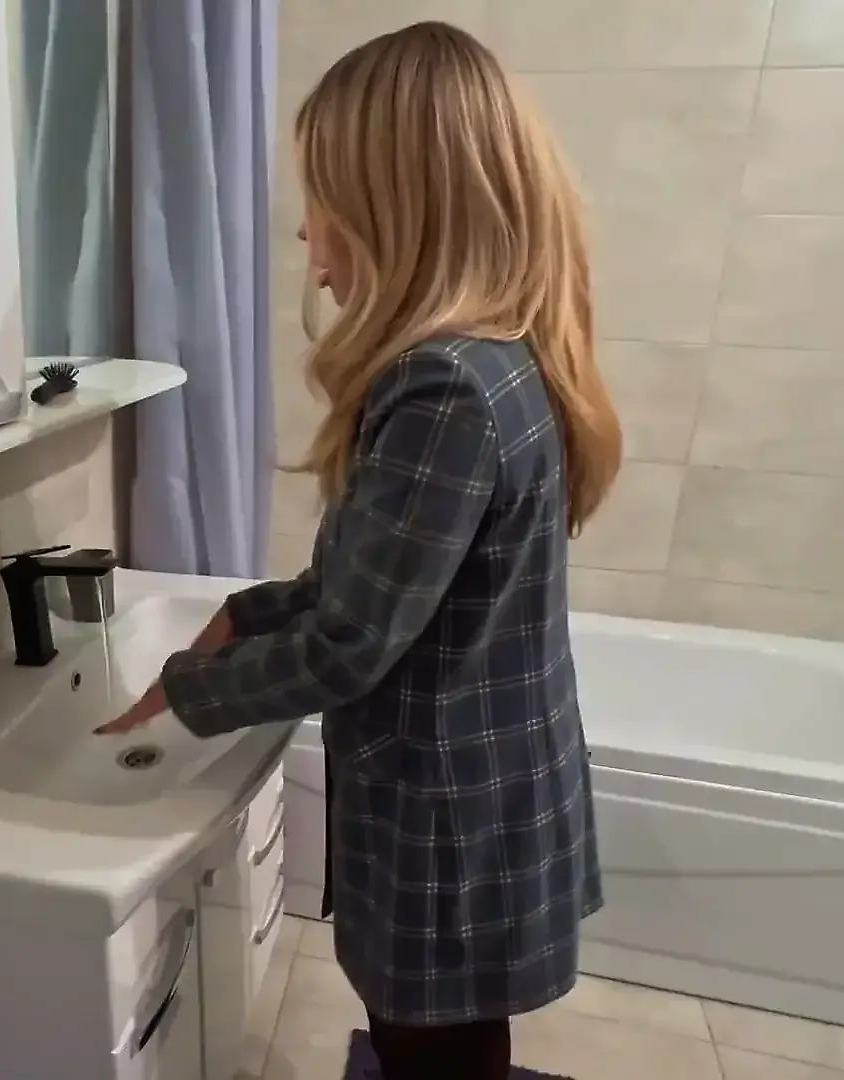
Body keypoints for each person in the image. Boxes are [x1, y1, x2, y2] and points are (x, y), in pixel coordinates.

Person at [96, 20, 620, 1080]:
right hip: (482, 794)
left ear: (394, 209)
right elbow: (378, 591)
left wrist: (184, 691)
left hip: (444, 819)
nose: (308, 236)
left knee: (431, 1049)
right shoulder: (502, 359)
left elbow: (349, 647)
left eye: (321, 200)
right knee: (452, 1041)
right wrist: (247, 613)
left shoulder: (442, 388)